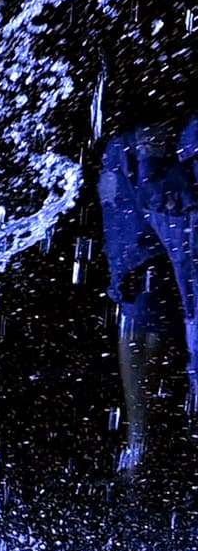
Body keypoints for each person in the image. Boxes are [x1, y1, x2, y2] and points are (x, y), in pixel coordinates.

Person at [97, 115, 198, 474]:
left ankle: (141, 451)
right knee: (143, 287)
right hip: (135, 146)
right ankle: (139, 450)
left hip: (173, 137)